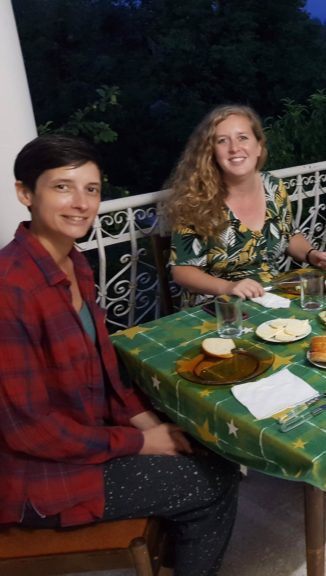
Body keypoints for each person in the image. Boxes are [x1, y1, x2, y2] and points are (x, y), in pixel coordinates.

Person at [0, 134, 240, 576]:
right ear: (24, 193)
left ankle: (174, 543)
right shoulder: (10, 289)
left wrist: (145, 421)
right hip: (38, 475)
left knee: (206, 434)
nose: (81, 203)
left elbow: (104, 369)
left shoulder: (73, 263)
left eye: (91, 189)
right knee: (214, 482)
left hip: (83, 434)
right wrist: (140, 441)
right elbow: (30, 433)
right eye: (62, 187)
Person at [164, 104, 326, 307]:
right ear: (211, 152)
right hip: (217, 308)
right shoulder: (194, 199)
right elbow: (183, 272)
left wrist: (311, 254)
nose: (234, 148)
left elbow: (289, 234)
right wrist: (229, 287)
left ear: (258, 146)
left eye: (242, 137)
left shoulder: (273, 186)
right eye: (222, 141)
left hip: (271, 297)